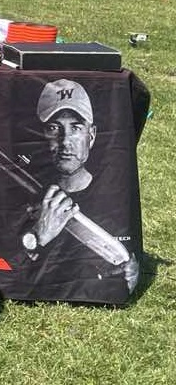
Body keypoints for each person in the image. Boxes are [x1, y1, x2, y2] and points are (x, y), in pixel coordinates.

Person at [20, 79, 139, 291]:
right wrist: (38, 236)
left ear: (91, 135)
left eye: (75, 128)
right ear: (42, 135)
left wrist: (129, 272)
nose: (65, 141)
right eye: (54, 128)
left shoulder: (112, 197)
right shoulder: (22, 192)